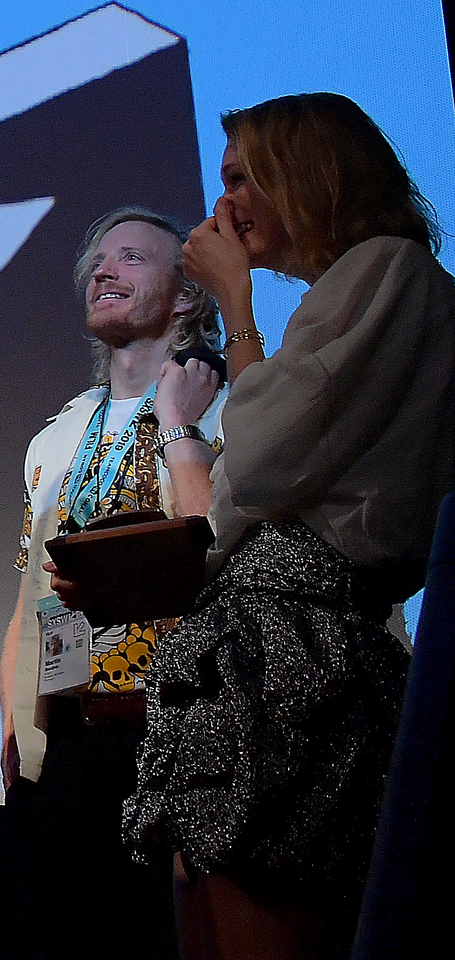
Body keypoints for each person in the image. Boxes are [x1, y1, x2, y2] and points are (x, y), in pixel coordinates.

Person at [122, 93, 455, 959]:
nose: (223, 203)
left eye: (241, 177)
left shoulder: (388, 272)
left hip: (298, 666)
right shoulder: (341, 294)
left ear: (302, 176)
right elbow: (234, 501)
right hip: (253, 654)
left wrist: (236, 306)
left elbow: (260, 461)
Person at [0, 206, 226, 959]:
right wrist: (17, 730)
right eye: (98, 262)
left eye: (131, 258)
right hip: (75, 735)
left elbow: (231, 559)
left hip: (184, 733)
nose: (104, 271)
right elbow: (30, 597)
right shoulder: (55, 437)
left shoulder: (225, 407)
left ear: (186, 296)